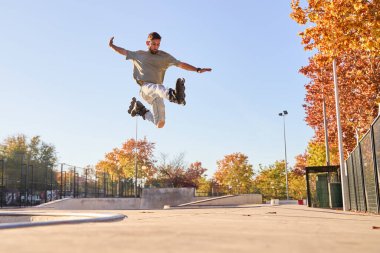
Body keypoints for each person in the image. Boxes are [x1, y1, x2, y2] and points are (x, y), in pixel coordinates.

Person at [109, 32, 212, 128]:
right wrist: (112, 46)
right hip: (145, 88)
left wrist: (197, 70)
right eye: (153, 44)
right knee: (157, 87)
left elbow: (180, 64)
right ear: (147, 43)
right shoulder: (139, 54)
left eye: (158, 44)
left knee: (159, 123)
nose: (156, 47)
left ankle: (142, 111)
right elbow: (123, 51)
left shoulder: (164, 57)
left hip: (158, 94)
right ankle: (173, 96)